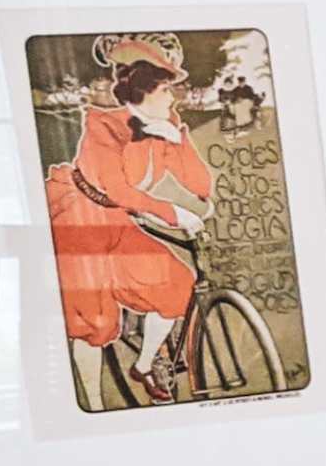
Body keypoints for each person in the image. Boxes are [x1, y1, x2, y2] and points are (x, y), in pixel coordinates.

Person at [43, 37, 214, 408]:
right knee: (95, 325)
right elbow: (119, 190)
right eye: (167, 88)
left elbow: (200, 185)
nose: (174, 98)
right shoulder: (102, 127)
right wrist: (171, 213)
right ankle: (96, 407)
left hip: (118, 224)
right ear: (141, 89)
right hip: (79, 223)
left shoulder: (167, 122)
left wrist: (179, 140)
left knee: (176, 284)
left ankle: (144, 364)